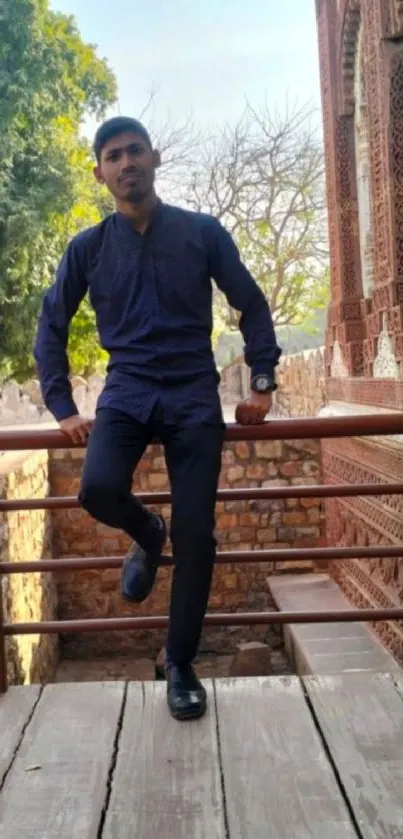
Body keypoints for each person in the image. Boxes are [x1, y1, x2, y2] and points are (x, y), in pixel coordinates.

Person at [34, 116, 281, 721]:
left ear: (155, 158)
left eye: (135, 151)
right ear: (100, 173)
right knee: (96, 488)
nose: (126, 163)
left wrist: (263, 381)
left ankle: (179, 664)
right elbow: (51, 326)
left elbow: (250, 303)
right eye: (113, 156)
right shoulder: (87, 248)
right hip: (126, 390)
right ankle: (148, 533)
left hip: (194, 393)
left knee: (197, 534)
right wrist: (63, 407)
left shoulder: (201, 233)